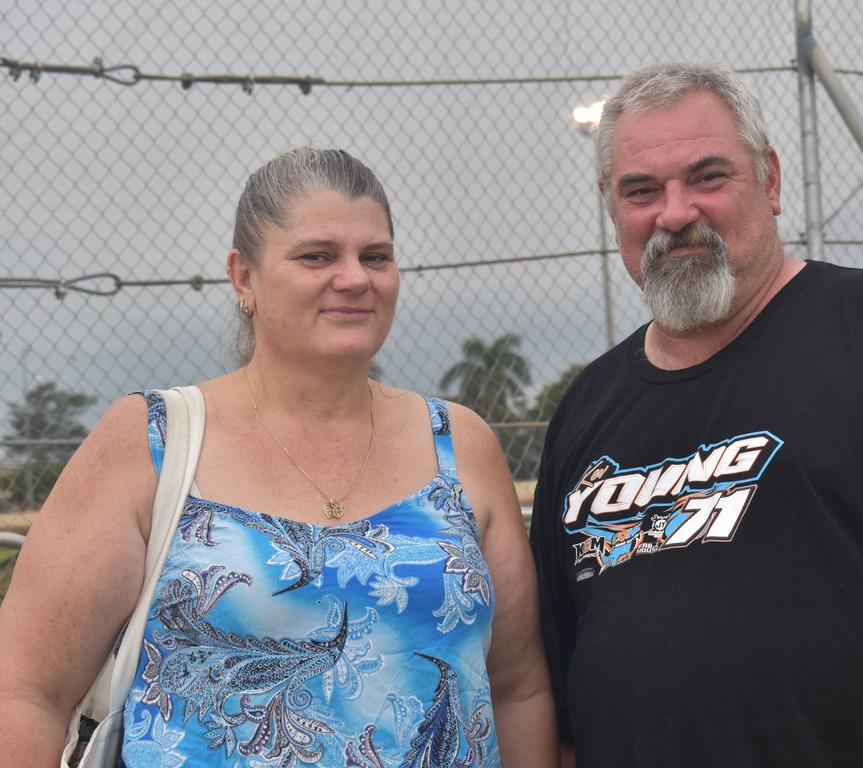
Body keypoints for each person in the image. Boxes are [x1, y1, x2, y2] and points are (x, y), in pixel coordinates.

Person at [529, 61, 863, 768]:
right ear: (613, 208)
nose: (675, 214)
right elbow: (559, 690)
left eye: (708, 177)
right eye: (641, 191)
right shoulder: (587, 408)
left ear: (771, 181)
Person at [0, 147, 558, 767]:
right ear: (244, 278)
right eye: (317, 256)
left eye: (376, 256)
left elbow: (517, 687)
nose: (354, 278)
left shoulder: (460, 444)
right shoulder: (151, 441)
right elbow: (26, 692)